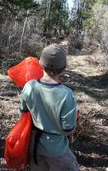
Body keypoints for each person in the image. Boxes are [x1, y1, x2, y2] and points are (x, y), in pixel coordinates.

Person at [19, 43, 79, 171]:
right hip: (57, 150)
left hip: (35, 146)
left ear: (40, 64)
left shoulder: (29, 86)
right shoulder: (66, 94)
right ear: (64, 67)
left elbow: (23, 113)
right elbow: (68, 128)